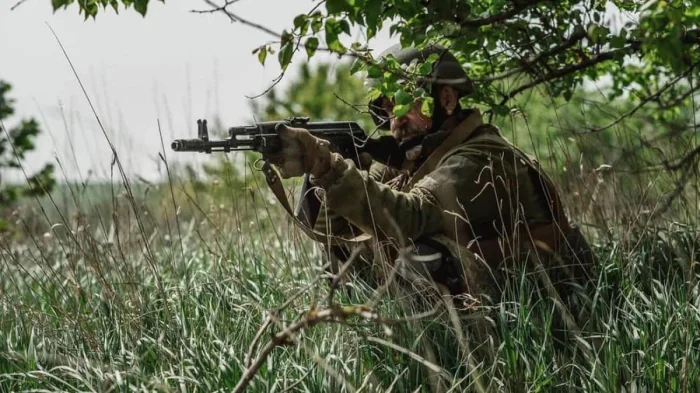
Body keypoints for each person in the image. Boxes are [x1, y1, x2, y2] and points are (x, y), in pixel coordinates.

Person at [265, 43, 595, 309]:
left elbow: (407, 218)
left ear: (447, 99)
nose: (395, 122)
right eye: (387, 110)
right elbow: (339, 232)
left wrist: (328, 166)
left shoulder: (482, 157)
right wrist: (320, 175)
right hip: (494, 294)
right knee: (347, 252)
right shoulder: (411, 158)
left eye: (405, 105)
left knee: (421, 257)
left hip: (545, 300)